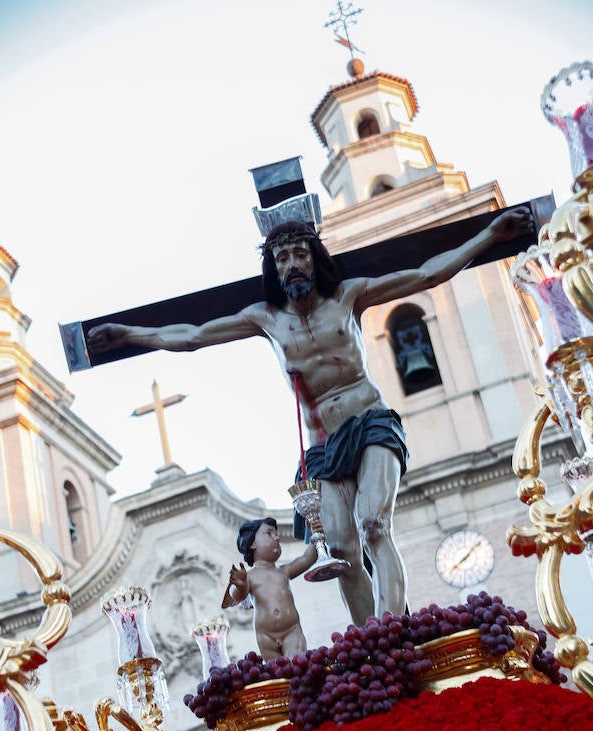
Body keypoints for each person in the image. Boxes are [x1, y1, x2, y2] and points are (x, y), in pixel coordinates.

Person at [88, 209, 532, 625]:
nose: (293, 264)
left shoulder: (347, 297)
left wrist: (491, 234)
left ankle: (396, 632)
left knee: (374, 524)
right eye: (283, 257)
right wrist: (130, 334)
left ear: (314, 257)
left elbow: (426, 274)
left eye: (301, 253)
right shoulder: (265, 319)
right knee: (340, 549)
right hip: (322, 447)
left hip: (371, 422)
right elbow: (192, 337)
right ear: (275, 268)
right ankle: (372, 644)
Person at [221, 516, 316, 659]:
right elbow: (237, 595)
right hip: (265, 637)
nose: (277, 538)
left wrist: (316, 537)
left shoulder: (284, 571)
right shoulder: (250, 576)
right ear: (252, 543)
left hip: (291, 630)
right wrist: (239, 585)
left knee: (298, 666)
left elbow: (306, 559)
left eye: (276, 534)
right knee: (277, 675)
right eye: (269, 533)